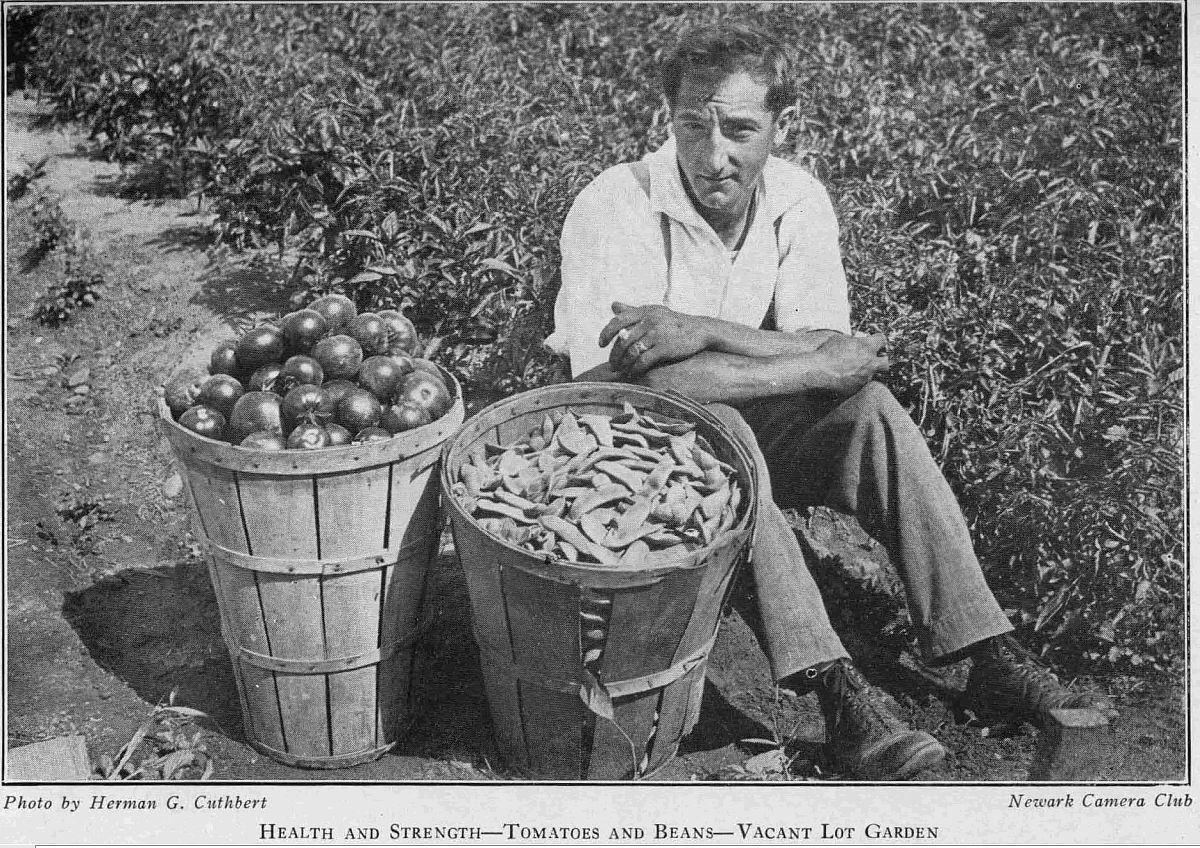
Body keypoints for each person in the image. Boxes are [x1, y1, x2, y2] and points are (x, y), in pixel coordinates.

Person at [545, 22, 1112, 780]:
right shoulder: (616, 203)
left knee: (870, 412)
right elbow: (645, 385)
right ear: (669, 118)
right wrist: (790, 360)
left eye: (741, 130)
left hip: (734, 413)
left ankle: (986, 651)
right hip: (627, 451)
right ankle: (835, 687)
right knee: (728, 432)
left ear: (782, 125)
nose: (715, 156)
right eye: (692, 126)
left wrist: (700, 330)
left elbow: (840, 363)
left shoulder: (796, 198)